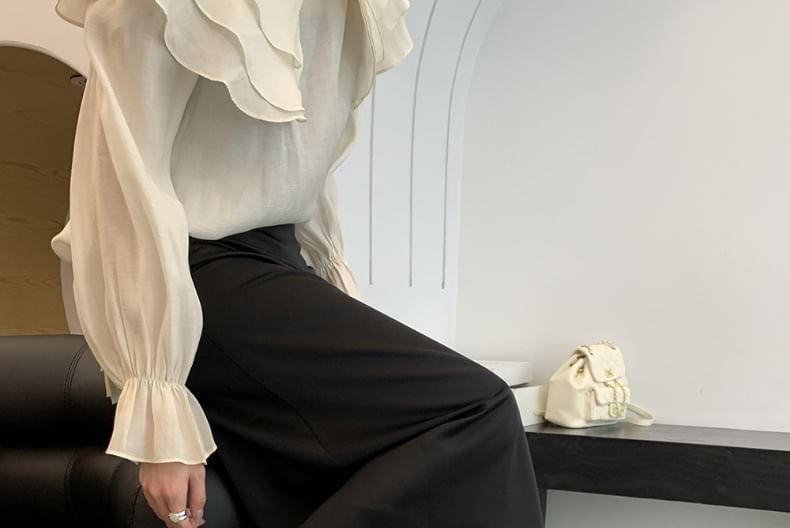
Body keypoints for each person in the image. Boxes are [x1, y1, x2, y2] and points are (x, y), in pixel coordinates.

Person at [50, 0, 546, 526]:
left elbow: (296, 160)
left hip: (276, 266)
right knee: (475, 409)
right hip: (194, 282)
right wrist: (158, 404)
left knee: (403, 445)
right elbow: (121, 177)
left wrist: (329, 278)